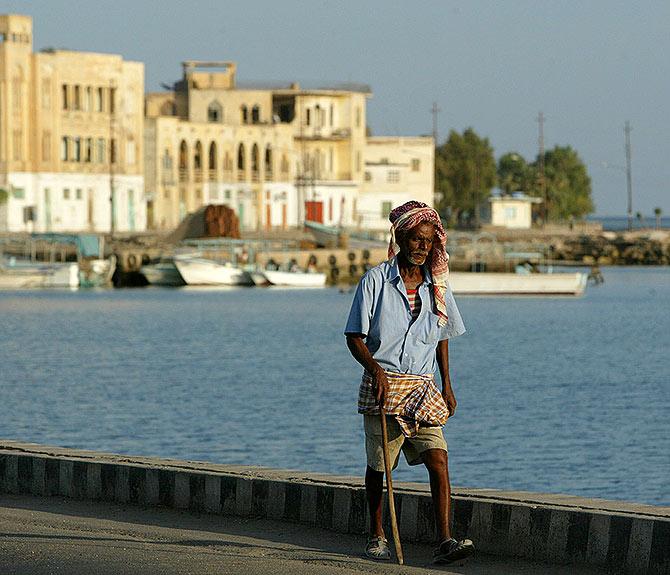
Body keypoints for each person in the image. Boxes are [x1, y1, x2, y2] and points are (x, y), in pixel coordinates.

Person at [344, 200, 474, 565]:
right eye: (417, 239)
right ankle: (376, 533)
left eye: (429, 242)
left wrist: (447, 384)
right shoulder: (375, 281)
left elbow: (443, 334)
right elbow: (354, 336)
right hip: (383, 385)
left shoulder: (438, 286)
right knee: (379, 466)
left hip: (421, 385)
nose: (422, 247)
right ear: (401, 237)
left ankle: (445, 540)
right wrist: (376, 370)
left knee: (439, 457)